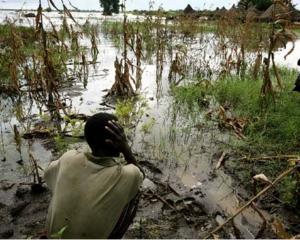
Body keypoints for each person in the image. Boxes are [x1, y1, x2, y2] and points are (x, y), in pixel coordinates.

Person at [44, 112, 144, 239]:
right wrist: (126, 148)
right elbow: (141, 175)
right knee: (136, 193)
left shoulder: (68, 157)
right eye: (120, 135)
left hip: (53, 236)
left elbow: (48, 174)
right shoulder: (128, 174)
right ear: (114, 142)